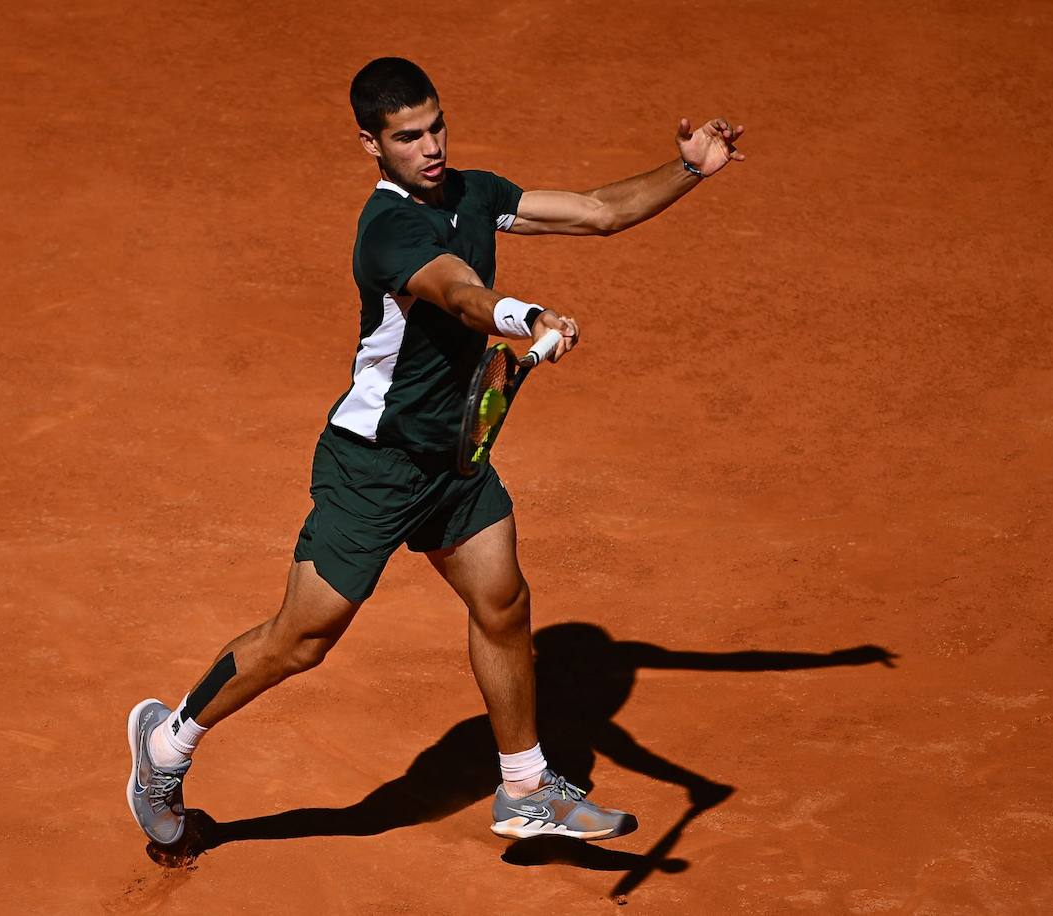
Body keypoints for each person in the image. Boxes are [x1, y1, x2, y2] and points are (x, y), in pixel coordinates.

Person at [126, 56, 745, 848]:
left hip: (452, 459)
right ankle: (166, 744)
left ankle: (525, 787)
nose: (430, 148)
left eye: (436, 126)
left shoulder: (474, 194)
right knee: (301, 640)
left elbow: (597, 211)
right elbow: (460, 293)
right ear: (372, 146)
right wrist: (526, 316)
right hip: (374, 467)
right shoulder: (388, 228)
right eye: (408, 137)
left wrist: (689, 171)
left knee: (503, 603)